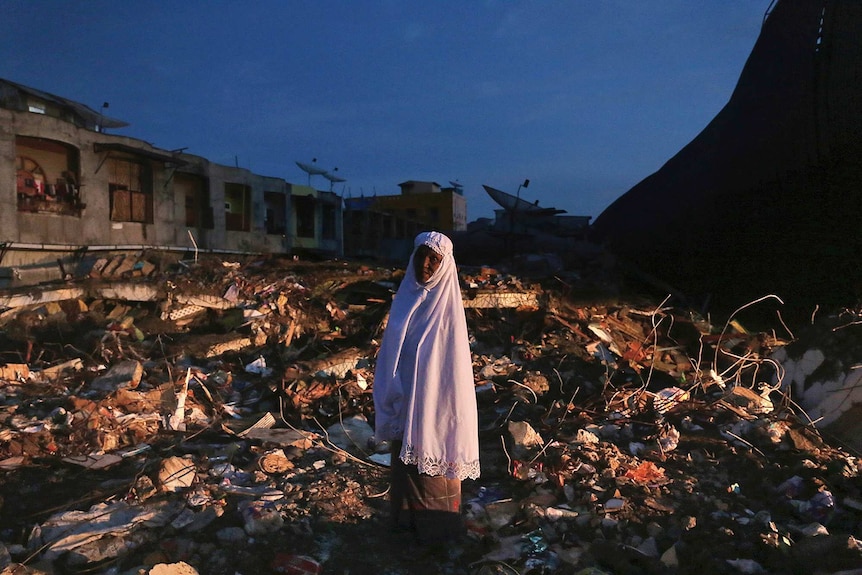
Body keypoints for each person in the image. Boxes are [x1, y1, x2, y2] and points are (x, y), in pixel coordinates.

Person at [373, 230, 480, 546]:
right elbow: (392, 354)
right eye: (421, 257)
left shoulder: (446, 309)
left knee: (432, 467)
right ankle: (404, 528)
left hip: (436, 407)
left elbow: (448, 372)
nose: (426, 265)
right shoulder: (406, 297)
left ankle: (438, 535)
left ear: (445, 264)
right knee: (404, 467)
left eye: (434, 259)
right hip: (405, 401)